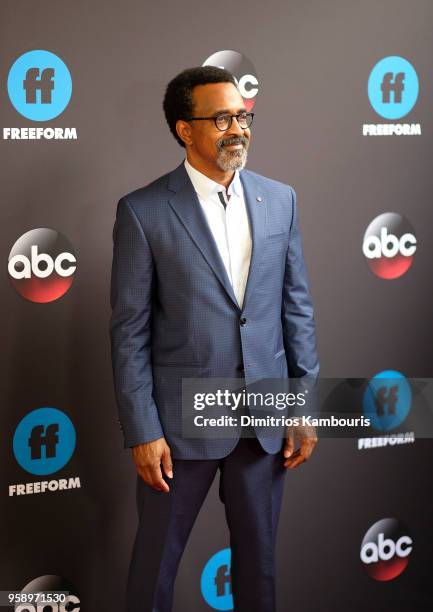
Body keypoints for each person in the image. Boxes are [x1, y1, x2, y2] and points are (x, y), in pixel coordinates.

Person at [110, 66, 319, 612]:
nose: (239, 128)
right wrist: (142, 429)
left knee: (260, 572)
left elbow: (295, 308)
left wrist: (301, 404)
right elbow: (129, 331)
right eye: (222, 118)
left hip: (263, 418)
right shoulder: (143, 211)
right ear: (185, 129)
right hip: (179, 428)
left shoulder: (281, 200)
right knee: (154, 569)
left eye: (243, 116)